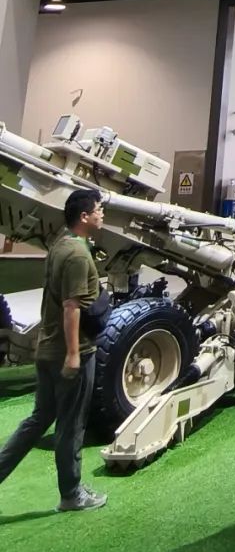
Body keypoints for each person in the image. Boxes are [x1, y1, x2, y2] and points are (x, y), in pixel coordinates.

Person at [0, 190, 108, 513]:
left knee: (38, 420)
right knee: (71, 425)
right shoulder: (77, 255)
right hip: (71, 352)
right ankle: (71, 494)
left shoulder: (60, 245)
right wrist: (74, 354)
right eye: (98, 209)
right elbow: (72, 307)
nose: (102, 214)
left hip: (47, 349)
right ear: (84, 216)